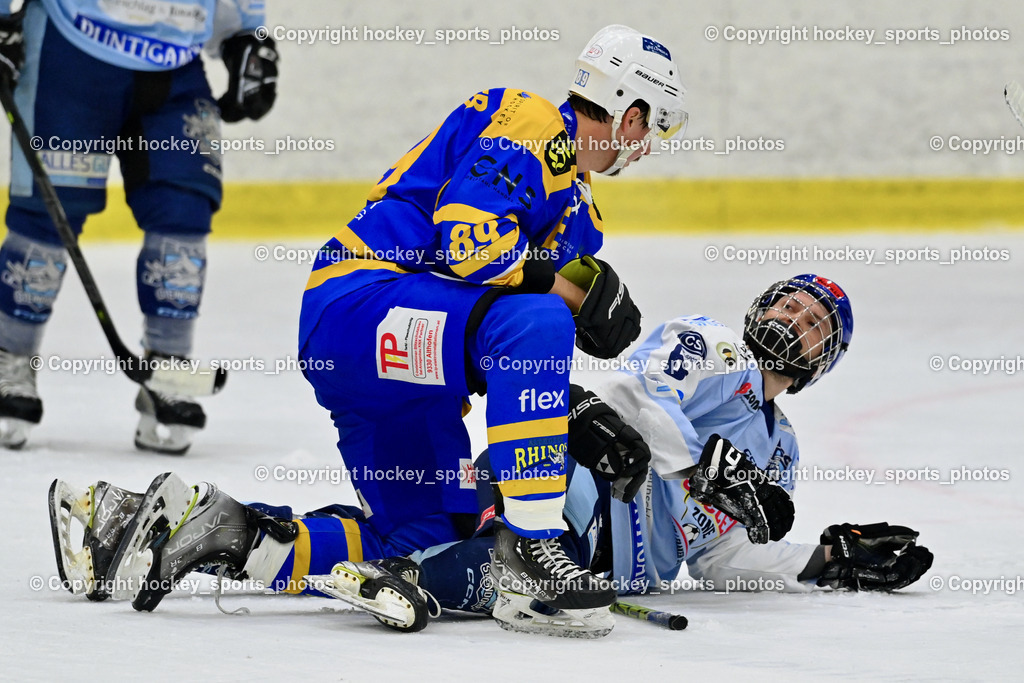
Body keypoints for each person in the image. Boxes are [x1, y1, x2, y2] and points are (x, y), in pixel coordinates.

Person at [47, 274, 932, 637]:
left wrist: (820, 560)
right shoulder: (711, 348)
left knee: (408, 533)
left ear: (825, 359)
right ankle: (414, 572)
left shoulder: (782, 448)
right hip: (563, 498)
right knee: (470, 560)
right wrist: (705, 470)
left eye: (817, 324)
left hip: (586, 551)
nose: (796, 320)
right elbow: (639, 405)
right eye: (792, 303)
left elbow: (720, 550)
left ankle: (204, 527)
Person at [292, 22, 687, 622]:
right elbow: (468, 242)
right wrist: (570, 298)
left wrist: (587, 300)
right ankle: (532, 544)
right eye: (652, 124)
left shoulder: (578, 206)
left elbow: (518, 290)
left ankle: (218, 535)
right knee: (538, 318)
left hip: (405, 374)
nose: (648, 144)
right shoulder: (533, 122)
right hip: (362, 302)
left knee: (428, 547)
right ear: (627, 113)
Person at [0, 0, 279, 452]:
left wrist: (246, 35)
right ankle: (9, 358)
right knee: (49, 216)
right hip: (70, 51)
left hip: (177, 63)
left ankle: (168, 364)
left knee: (184, 209)